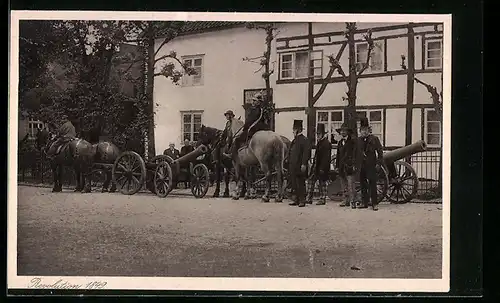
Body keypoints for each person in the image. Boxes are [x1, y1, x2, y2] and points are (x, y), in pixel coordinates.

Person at [225, 93, 267, 158]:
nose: (252, 102)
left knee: (237, 140)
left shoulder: (254, 110)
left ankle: (232, 155)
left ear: (258, 102)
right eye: (253, 100)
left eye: (254, 101)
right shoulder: (261, 110)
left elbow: (249, 121)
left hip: (253, 130)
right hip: (261, 129)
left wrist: (245, 128)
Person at [357, 117, 385, 211]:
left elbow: (380, 152)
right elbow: (355, 154)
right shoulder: (358, 140)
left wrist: (378, 164)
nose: (363, 131)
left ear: (369, 130)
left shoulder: (374, 139)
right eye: (362, 130)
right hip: (362, 165)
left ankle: (374, 203)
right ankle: (364, 202)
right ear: (360, 130)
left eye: (365, 129)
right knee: (363, 184)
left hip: (371, 165)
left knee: (372, 184)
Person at [306, 124, 332, 205]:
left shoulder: (326, 143)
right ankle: (309, 198)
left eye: (319, 134)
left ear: (323, 134)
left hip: (322, 167)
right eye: (317, 134)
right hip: (316, 166)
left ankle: (322, 198)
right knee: (311, 180)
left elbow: (326, 158)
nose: (317, 135)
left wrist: (322, 168)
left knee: (322, 182)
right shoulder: (320, 143)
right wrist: (314, 165)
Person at [288, 120, 311, 208]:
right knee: (294, 183)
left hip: (300, 165)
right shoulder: (294, 140)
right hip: (293, 165)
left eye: (294, 129)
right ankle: (296, 199)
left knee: (301, 183)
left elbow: (306, 153)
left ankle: (302, 200)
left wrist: (304, 164)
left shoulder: (304, 140)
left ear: (298, 130)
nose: (293, 131)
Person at [335, 121, 358, 208]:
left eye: (344, 131)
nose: (343, 132)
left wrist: (353, 165)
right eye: (341, 131)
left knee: (351, 185)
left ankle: (353, 202)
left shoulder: (352, 142)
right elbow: (338, 155)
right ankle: (345, 200)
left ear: (348, 132)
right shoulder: (340, 142)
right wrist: (337, 166)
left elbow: (355, 154)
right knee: (343, 185)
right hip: (341, 166)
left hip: (349, 166)